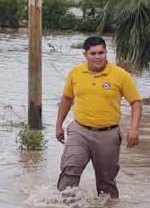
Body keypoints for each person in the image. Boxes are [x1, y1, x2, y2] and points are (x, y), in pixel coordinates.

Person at [55, 36, 142, 198]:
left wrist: (134, 129)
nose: (98, 57)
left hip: (108, 134)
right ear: (85, 55)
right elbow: (67, 98)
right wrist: (58, 125)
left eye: (101, 53)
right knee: (70, 170)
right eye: (93, 53)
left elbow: (136, 102)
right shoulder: (75, 73)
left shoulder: (120, 75)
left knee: (106, 183)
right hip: (79, 130)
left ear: (106, 53)